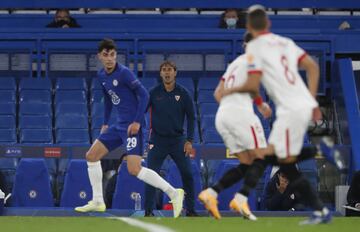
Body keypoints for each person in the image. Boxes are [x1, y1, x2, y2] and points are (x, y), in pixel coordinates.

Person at [220, 5, 337, 224]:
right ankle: (320, 209)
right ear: (268, 24)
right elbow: (312, 67)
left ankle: (240, 198)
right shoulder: (285, 43)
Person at [75, 38, 184, 218]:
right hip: (118, 126)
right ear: (99, 57)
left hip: (133, 126)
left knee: (134, 169)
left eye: (112, 54)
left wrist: (137, 121)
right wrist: (105, 123)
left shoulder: (124, 73)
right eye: (105, 55)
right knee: (91, 155)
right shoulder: (102, 76)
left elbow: (144, 95)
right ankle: (98, 201)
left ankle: (173, 193)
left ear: (116, 56)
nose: (109, 58)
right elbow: (109, 98)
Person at [198, 31, 270, 220]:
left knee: (246, 162)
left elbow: (217, 94)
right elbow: (252, 87)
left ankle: (211, 194)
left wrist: (230, 108)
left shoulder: (233, 65)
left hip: (222, 116)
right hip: (241, 114)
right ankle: (240, 199)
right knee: (262, 158)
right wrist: (261, 104)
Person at [144, 61, 198, 217]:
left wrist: (190, 140)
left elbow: (192, 117)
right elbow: (142, 110)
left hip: (178, 141)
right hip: (157, 140)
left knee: (187, 173)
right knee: (150, 174)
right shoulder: (153, 92)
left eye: (170, 70)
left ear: (175, 73)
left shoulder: (183, 93)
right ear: (160, 73)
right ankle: (148, 211)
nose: (167, 73)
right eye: (164, 70)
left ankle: (191, 210)